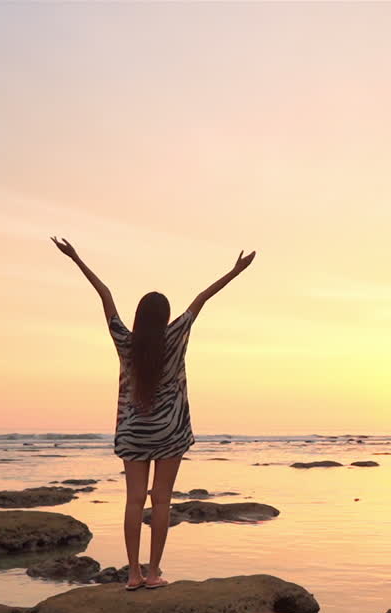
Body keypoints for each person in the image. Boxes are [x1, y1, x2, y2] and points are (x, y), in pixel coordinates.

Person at [52, 237, 256, 590]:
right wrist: (235, 271)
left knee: (133, 501)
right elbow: (201, 298)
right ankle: (154, 573)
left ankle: (132, 574)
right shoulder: (176, 334)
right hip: (170, 431)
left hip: (134, 430)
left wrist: (76, 258)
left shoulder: (124, 340)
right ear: (165, 318)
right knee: (161, 500)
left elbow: (105, 294)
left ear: (139, 317)